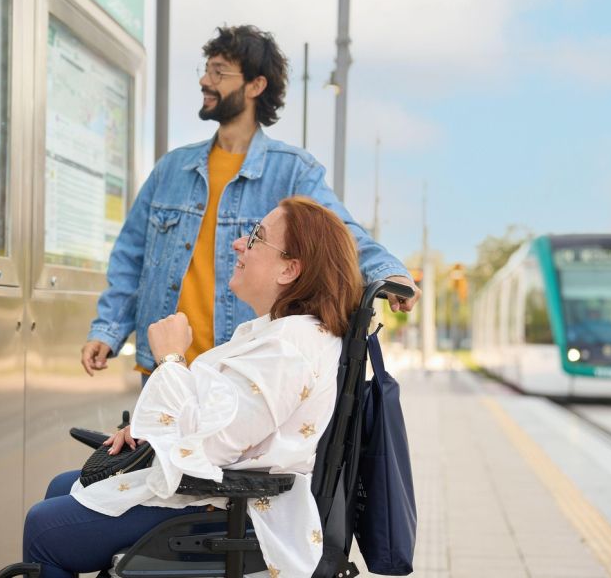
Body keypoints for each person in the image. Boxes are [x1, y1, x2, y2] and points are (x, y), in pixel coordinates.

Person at [24, 197, 365, 578]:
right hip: (223, 492)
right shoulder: (283, 334)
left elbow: (212, 447)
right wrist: (150, 429)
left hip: (234, 504)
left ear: (289, 269)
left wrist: (170, 359)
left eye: (255, 237)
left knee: (44, 528)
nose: (238, 244)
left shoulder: (287, 348)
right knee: (61, 488)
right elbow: (219, 416)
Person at [82, 25, 420, 377]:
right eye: (206, 69)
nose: (205, 81)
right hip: (163, 369)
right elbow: (130, 256)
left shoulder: (292, 172)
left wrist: (388, 273)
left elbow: (341, 236)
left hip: (235, 375)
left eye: (219, 72)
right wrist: (108, 329)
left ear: (256, 86)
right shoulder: (172, 168)